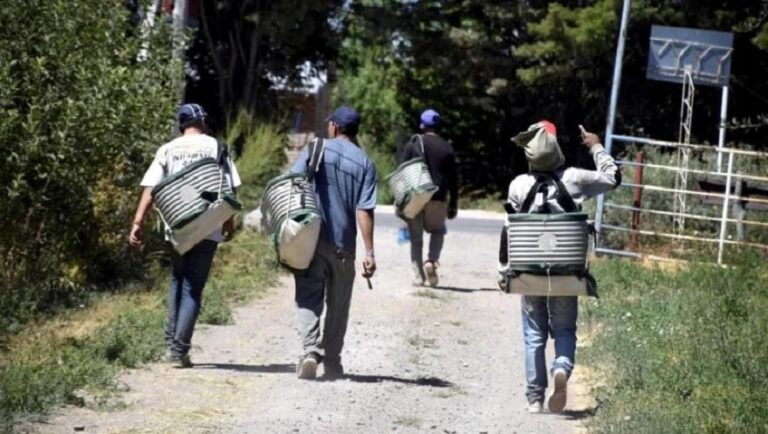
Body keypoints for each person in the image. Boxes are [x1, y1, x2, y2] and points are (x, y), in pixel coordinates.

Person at [502, 121, 620, 413]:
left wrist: (504, 271)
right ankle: (562, 368)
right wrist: (595, 146)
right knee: (565, 328)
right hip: (567, 272)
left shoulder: (518, 185)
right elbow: (613, 177)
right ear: (556, 150)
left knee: (534, 333)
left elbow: (509, 232)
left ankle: (534, 399)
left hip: (530, 271)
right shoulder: (575, 178)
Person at [129, 103, 241, 368]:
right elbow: (228, 189)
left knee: (177, 280)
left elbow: (151, 189)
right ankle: (179, 351)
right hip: (208, 225)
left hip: (176, 227)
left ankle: (171, 344)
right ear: (202, 122)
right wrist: (228, 223)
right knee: (193, 287)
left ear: (182, 124)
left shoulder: (168, 149)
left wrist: (137, 222)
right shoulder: (217, 147)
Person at [290, 106, 377, 380]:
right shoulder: (365, 163)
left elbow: (294, 182)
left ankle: (310, 351)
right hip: (344, 245)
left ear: (335, 127)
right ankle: (333, 362)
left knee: (308, 295)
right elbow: (364, 210)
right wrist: (370, 252)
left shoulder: (316, 149)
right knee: (338, 306)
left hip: (312, 240)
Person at [398, 109, 459, 287]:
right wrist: (453, 203)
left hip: (415, 197)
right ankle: (431, 261)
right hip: (438, 198)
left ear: (422, 125)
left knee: (416, 239)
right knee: (438, 231)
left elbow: (402, 171)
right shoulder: (446, 148)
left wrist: (400, 200)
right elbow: (453, 179)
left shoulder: (413, 144)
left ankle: (418, 277)